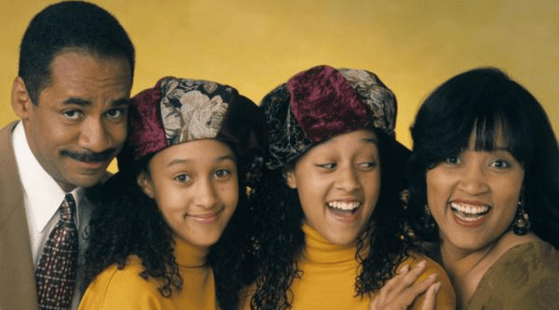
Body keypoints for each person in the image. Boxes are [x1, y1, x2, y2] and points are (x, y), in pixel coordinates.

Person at [244, 65, 455, 310]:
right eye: (328, 165)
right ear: (289, 173)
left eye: (366, 164)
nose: (350, 183)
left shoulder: (416, 284)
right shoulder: (251, 284)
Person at [77, 77, 267, 310]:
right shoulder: (129, 291)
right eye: (182, 177)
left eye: (221, 173)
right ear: (146, 183)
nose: (207, 198)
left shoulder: (230, 275)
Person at [0, 2, 134, 310]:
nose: (98, 141)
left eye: (114, 112)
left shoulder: (135, 210)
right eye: (73, 112)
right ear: (23, 101)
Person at [406, 67, 559, 309]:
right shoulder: (409, 260)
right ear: (424, 170)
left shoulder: (534, 285)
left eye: (498, 164)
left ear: (525, 180)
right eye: (452, 159)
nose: (472, 185)